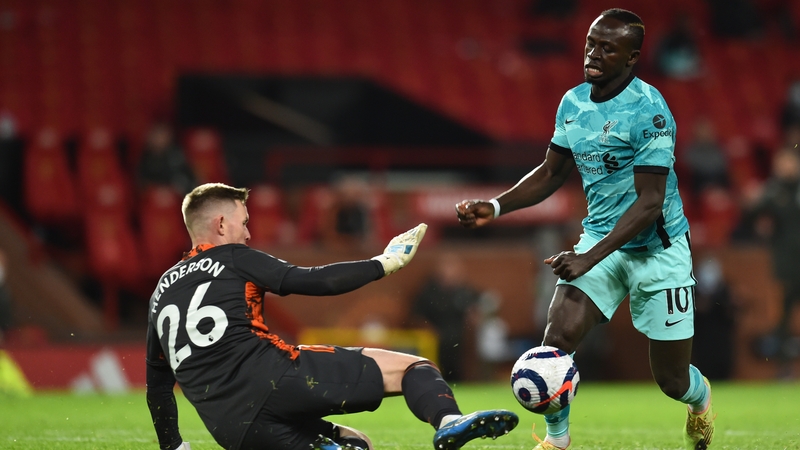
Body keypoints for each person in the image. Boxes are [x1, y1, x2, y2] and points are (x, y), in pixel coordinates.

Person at [455, 9, 715, 450]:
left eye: (607, 48)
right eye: (591, 43)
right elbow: (551, 173)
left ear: (631, 58)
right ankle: (558, 440)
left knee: (671, 380)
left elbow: (650, 203)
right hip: (600, 239)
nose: (593, 54)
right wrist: (496, 206)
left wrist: (587, 259)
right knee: (555, 343)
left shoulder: (650, 111)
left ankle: (700, 398)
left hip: (659, 249)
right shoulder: (573, 102)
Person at [145, 183, 518, 450]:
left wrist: (173, 446)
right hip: (274, 381)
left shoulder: (160, 291)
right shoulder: (233, 257)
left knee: (356, 444)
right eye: (243, 222)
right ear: (221, 225)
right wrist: (383, 263)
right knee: (413, 367)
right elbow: (312, 281)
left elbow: (159, 386)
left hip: (232, 430)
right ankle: (448, 421)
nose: (248, 232)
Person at [743, 148, 800, 378]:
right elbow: (750, 215)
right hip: (786, 265)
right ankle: (784, 368)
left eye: (790, 163)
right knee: (783, 319)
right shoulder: (774, 191)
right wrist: (751, 202)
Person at [410, 252, 481, 382]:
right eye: (447, 268)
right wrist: (430, 332)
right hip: (436, 340)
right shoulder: (429, 293)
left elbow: (476, 312)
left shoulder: (466, 292)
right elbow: (418, 317)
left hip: (460, 340)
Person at [137, 121, 197, 196]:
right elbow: (142, 184)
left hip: (179, 200)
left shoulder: (177, 156)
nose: (159, 139)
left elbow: (189, 181)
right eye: (156, 135)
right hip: (153, 201)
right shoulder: (144, 158)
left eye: (162, 135)